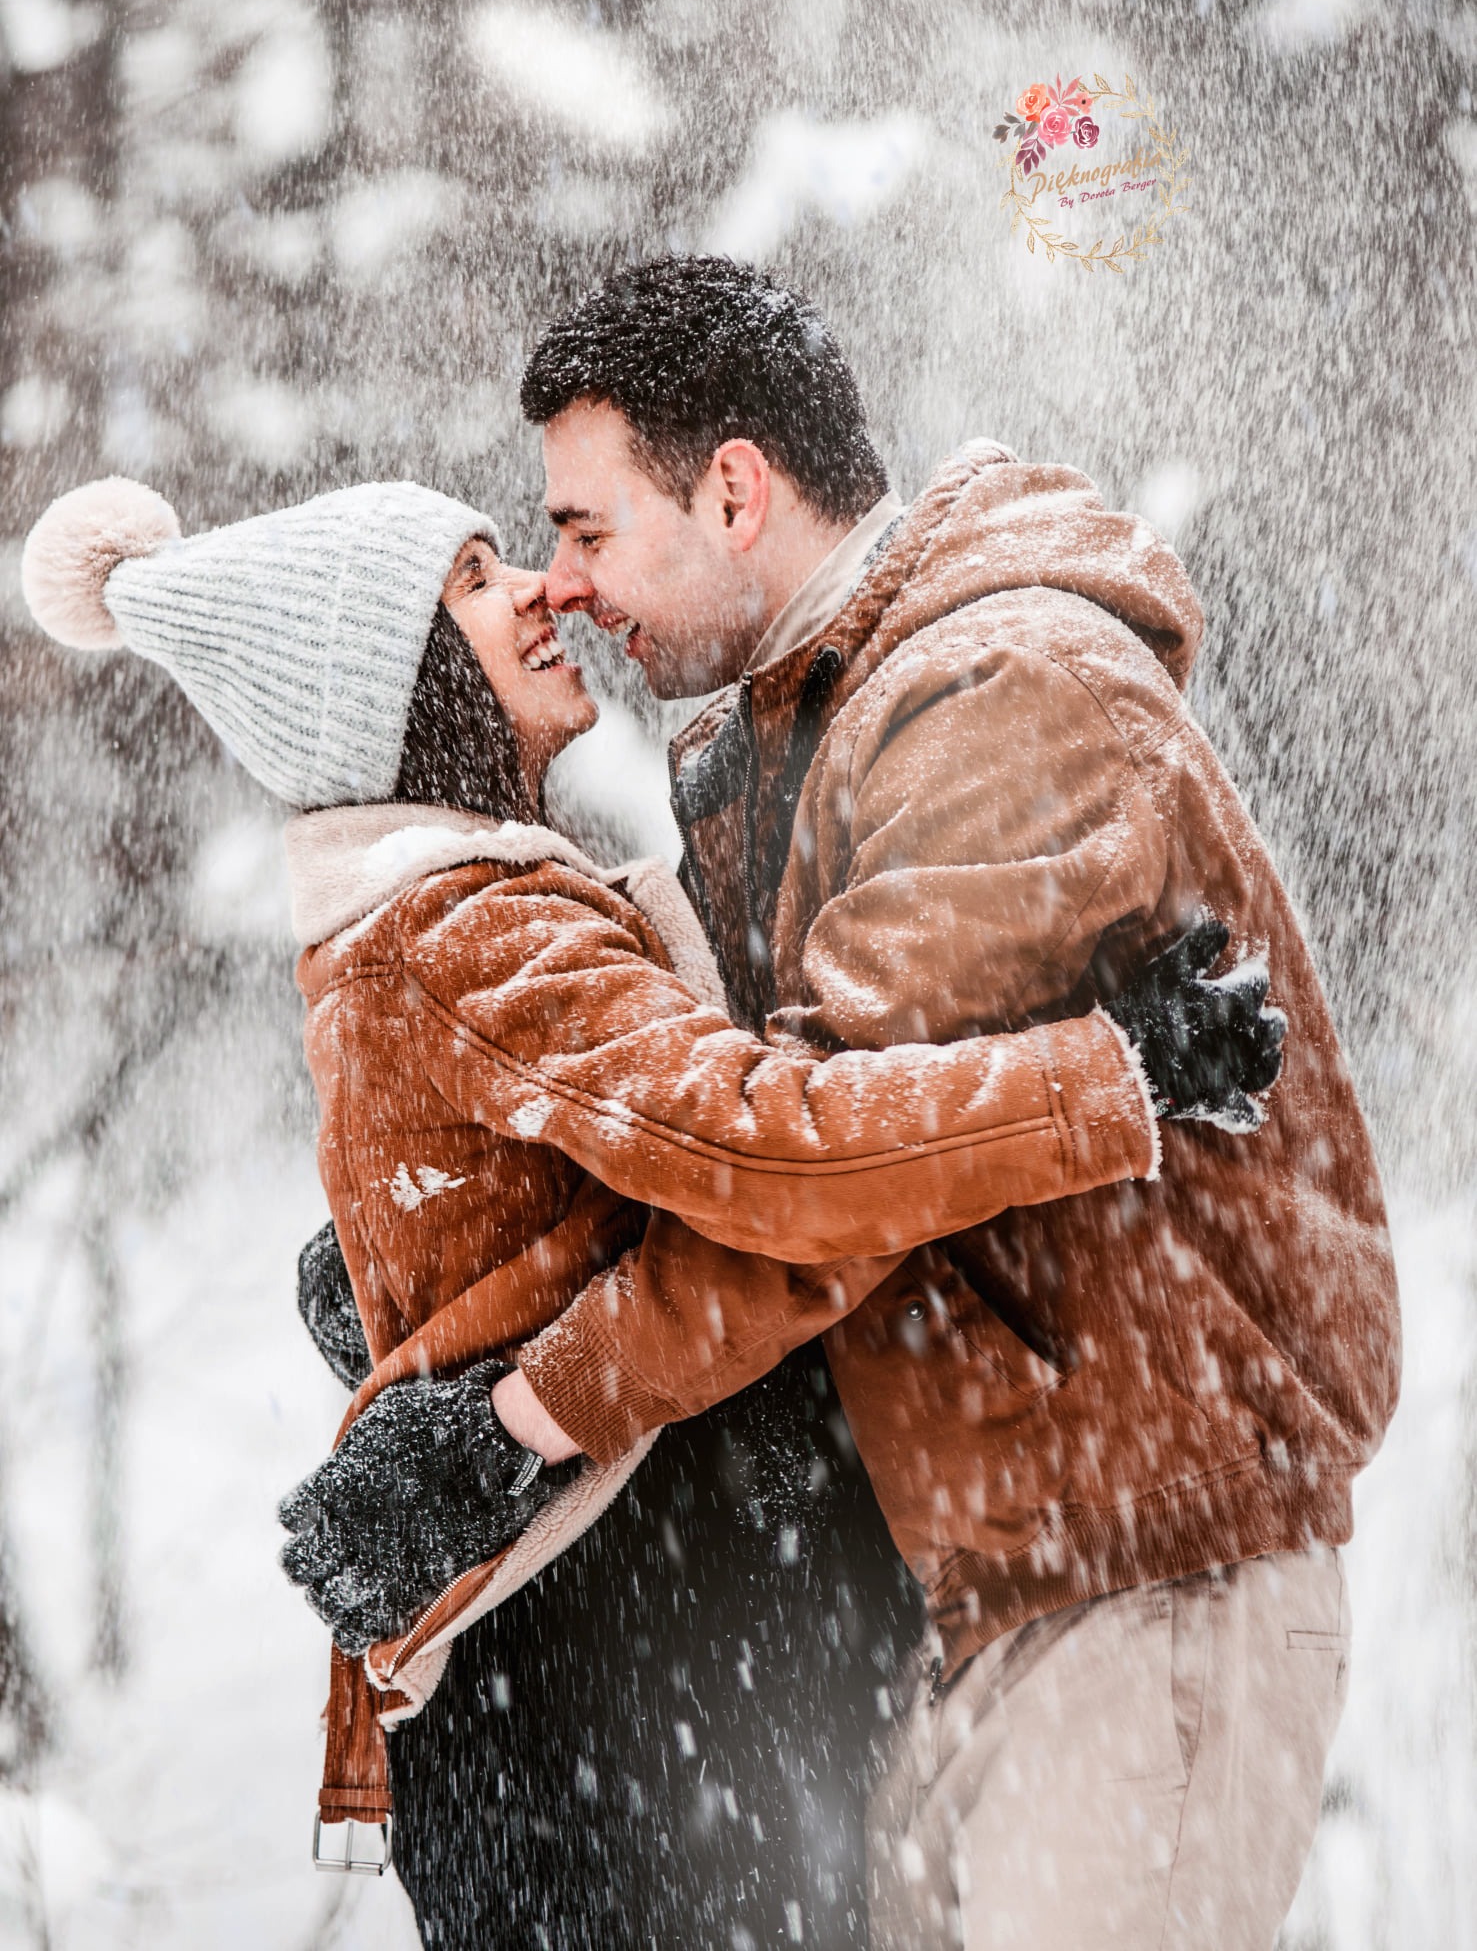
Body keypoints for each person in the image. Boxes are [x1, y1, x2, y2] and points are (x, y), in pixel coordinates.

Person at [19, 476, 1281, 1951]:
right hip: (602, 1698)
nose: (544, 595)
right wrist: (1107, 1074)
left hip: (628, 1685)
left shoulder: (444, 924)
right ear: (394, 676)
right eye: (480, 581)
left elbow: (597, 1207)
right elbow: (778, 1156)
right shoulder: (468, 932)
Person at [473, 255, 1402, 1951]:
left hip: (1142, 1580)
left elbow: (821, 1174)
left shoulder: (994, 699)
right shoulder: (809, 724)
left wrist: (530, 1413)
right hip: (1001, 1583)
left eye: (587, 528)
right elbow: (718, 1120)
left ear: (734, 489)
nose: (565, 583)